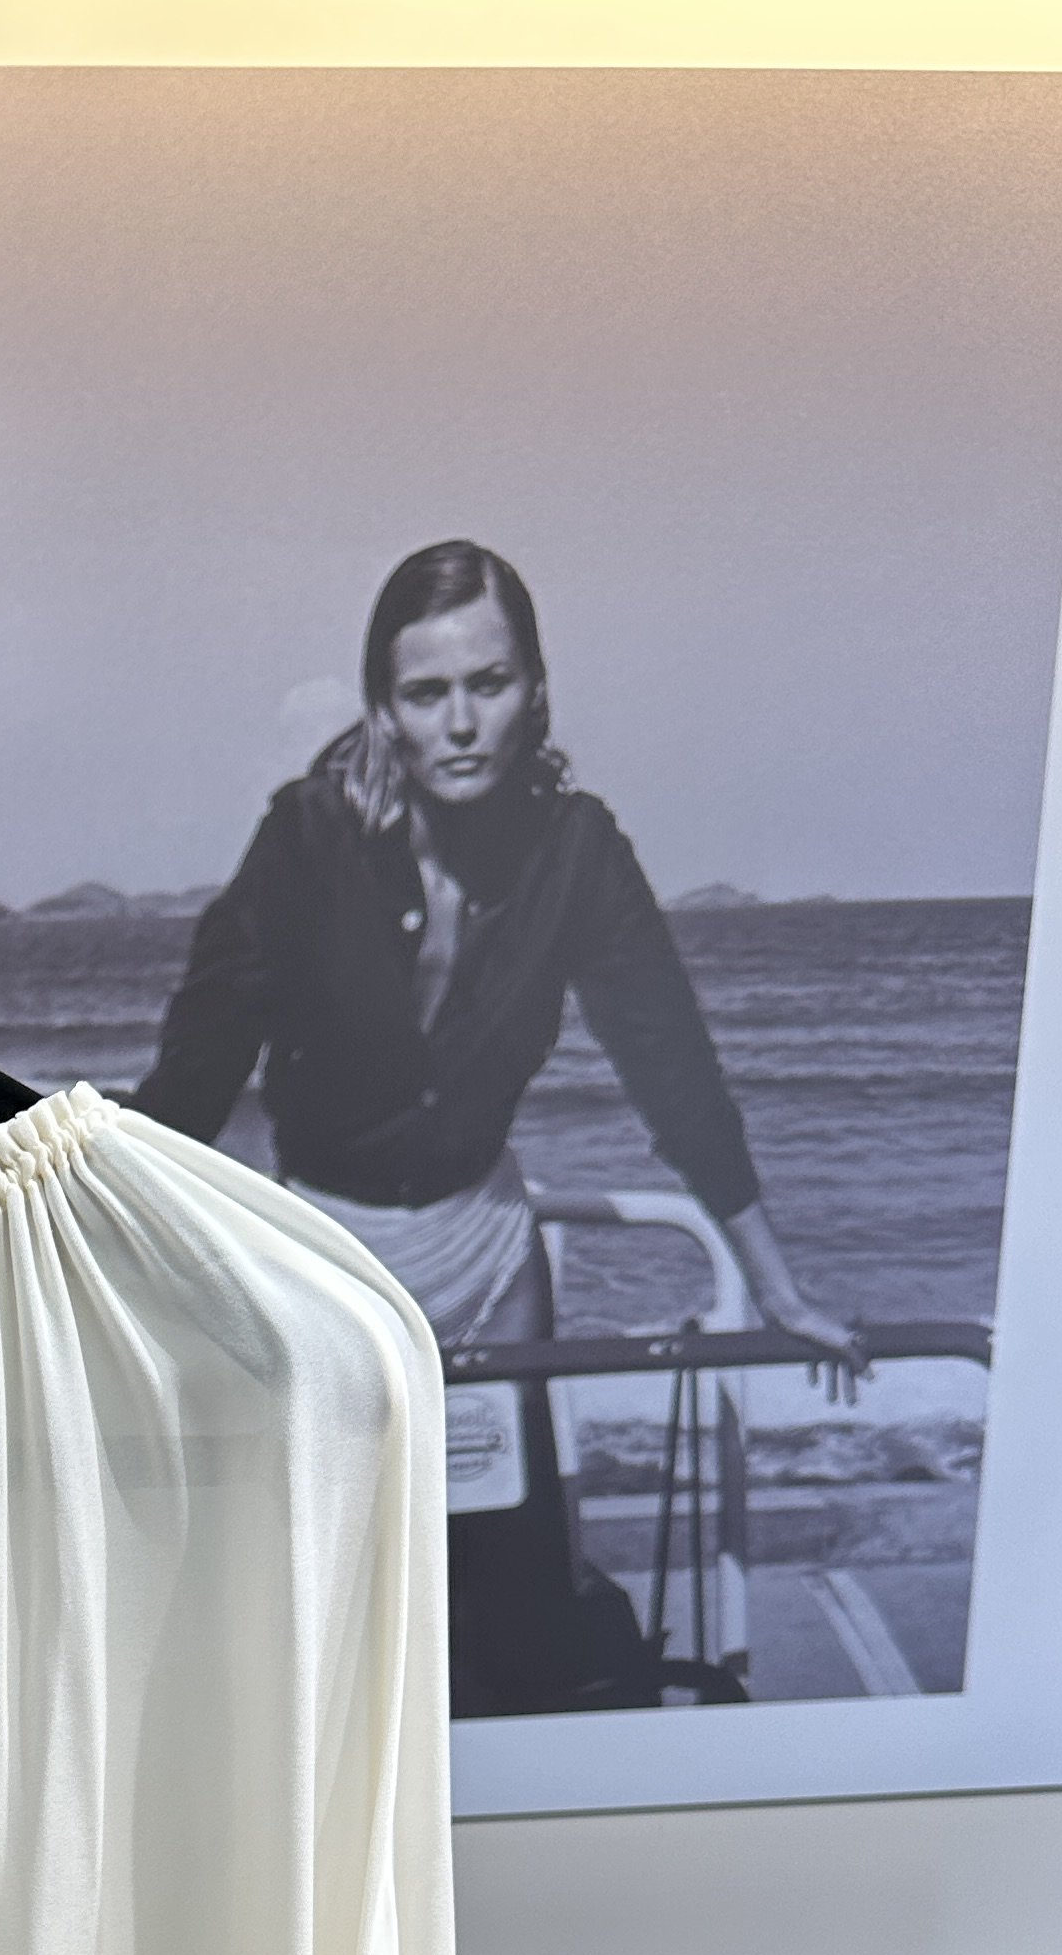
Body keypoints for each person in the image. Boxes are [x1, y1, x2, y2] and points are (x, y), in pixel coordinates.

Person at [133, 539, 862, 1713]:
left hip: (487, 1267)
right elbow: (195, 1073)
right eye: (428, 693)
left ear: (537, 691)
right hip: (322, 1277)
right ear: (385, 709)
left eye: (490, 683)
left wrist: (773, 1284)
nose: (463, 722)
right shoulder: (305, 837)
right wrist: (98, 1273)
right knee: (328, 1633)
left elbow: (674, 1070)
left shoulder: (580, 853)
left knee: (514, 1631)